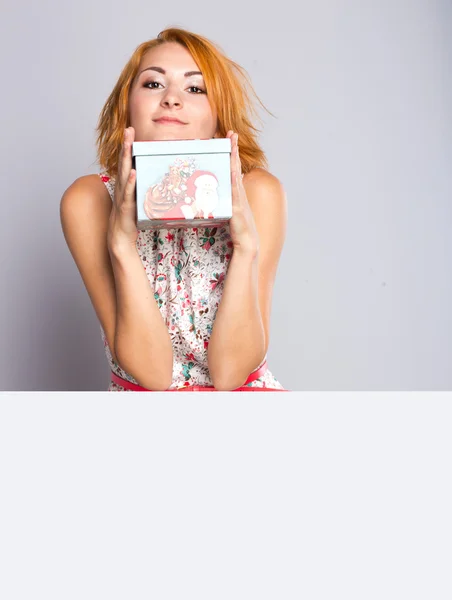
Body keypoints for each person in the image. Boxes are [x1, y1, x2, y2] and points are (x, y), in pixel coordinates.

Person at [60, 27, 287, 392]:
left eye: (195, 88)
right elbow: (152, 377)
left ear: (218, 117)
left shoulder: (258, 192)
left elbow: (231, 376)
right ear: (127, 105)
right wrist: (121, 245)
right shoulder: (88, 201)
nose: (171, 100)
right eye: (153, 84)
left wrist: (245, 249)